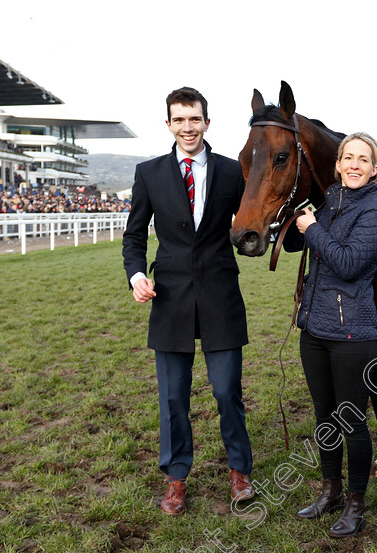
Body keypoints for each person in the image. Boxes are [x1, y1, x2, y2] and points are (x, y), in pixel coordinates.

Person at [122, 87, 253, 515]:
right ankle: (177, 477)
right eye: (179, 120)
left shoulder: (233, 172)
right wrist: (137, 275)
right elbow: (134, 235)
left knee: (226, 390)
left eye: (194, 119)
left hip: (220, 293)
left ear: (207, 123)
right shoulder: (150, 173)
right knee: (174, 397)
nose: (187, 127)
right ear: (168, 125)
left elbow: (253, 220)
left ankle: (239, 470)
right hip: (170, 297)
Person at [293, 132, 377, 538]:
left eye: (362, 159)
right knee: (324, 419)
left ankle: (356, 503)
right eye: (347, 157)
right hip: (314, 329)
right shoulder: (328, 201)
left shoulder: (376, 211)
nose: (353, 165)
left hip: (354, 333)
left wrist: (312, 229)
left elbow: (348, 263)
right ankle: (329, 490)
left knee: (351, 422)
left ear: (373, 169)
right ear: (337, 165)